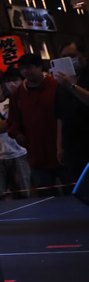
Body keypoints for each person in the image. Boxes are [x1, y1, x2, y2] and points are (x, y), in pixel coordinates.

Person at [8, 53, 64, 193]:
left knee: (72, 192)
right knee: (46, 196)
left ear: (39, 67)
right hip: (36, 154)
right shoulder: (18, 93)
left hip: (61, 151)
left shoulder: (56, 85)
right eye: (22, 68)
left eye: (29, 67)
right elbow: (13, 120)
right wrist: (17, 134)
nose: (25, 71)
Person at [54, 41, 89, 187]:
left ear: (84, 55)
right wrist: (59, 145)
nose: (68, 60)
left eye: (72, 56)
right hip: (72, 144)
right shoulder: (61, 83)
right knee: (78, 185)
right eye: (64, 57)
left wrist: (72, 86)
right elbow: (60, 116)